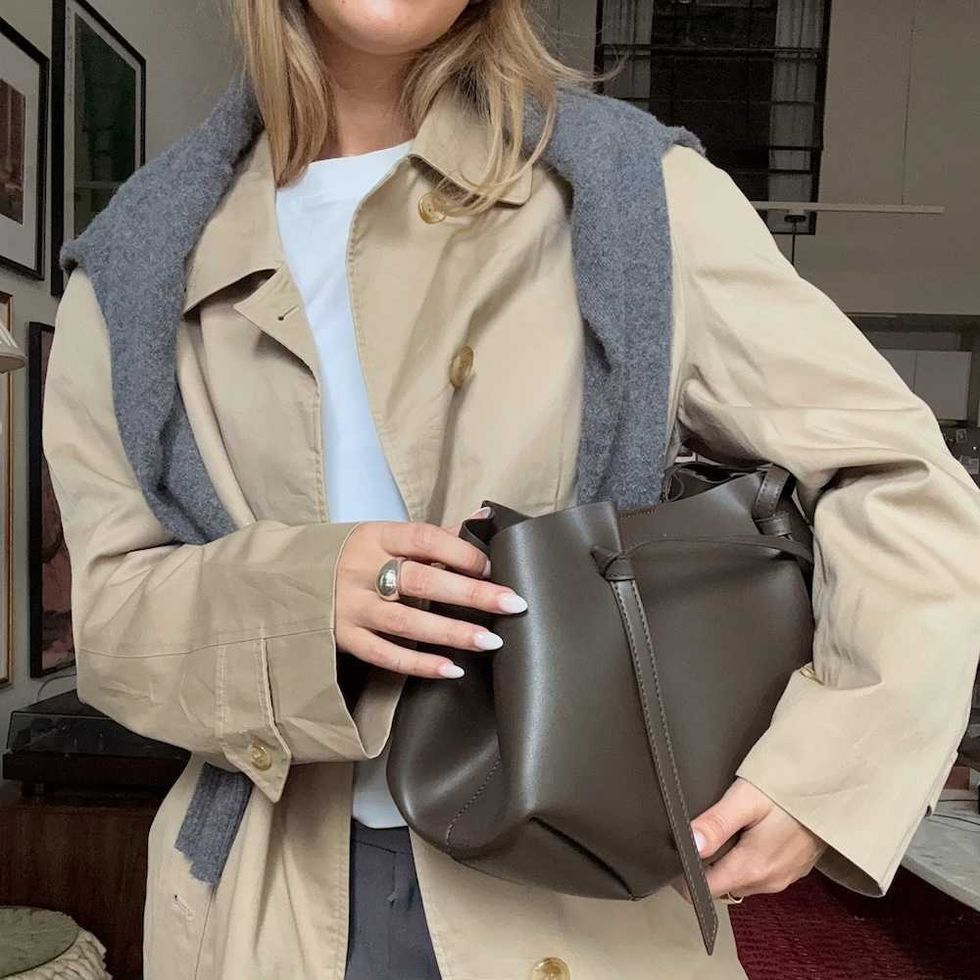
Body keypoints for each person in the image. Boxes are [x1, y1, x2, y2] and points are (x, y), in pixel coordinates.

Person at [42, 1, 980, 978]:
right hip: (257, 902)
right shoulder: (135, 261)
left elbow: (899, 479)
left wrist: (824, 769)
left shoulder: (634, 193)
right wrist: (298, 599)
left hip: (578, 889)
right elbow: (111, 617)